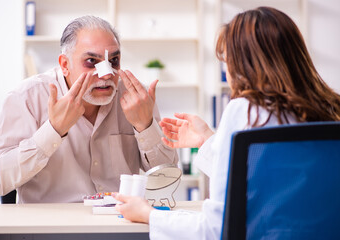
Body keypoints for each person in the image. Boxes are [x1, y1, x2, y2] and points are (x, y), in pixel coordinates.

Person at [113, 6, 340, 240]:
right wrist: (208, 140)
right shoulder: (331, 109)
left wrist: (148, 214)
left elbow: (216, 229)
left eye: (226, 62)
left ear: (241, 66)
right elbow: (271, 176)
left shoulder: (245, 110)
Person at [0, 16, 178, 203]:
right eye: (92, 62)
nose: (106, 74)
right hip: (50, 228)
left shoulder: (137, 98)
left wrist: (145, 126)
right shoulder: (26, 97)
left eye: (114, 60)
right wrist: (53, 131)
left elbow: (165, 177)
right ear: (64, 65)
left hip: (119, 224)